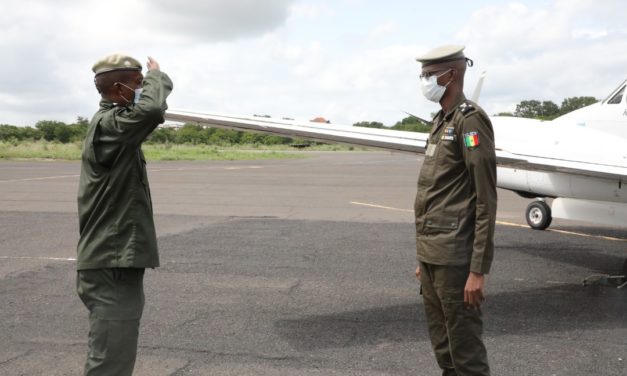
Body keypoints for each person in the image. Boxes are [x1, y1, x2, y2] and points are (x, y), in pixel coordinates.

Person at [76, 53, 173, 375]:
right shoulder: (109, 126)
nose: (144, 90)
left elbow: (146, 113)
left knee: (115, 355)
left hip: (115, 259)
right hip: (111, 260)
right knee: (110, 362)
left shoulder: (116, 128)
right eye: (139, 85)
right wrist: (157, 77)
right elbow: (152, 110)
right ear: (120, 89)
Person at [413, 45, 497, 376]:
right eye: (422, 75)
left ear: (452, 75)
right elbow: (434, 194)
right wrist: (422, 259)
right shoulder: (440, 121)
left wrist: (477, 270)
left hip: (456, 259)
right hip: (433, 256)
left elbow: (484, 198)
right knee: (444, 350)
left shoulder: (469, 120)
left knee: (466, 354)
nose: (424, 82)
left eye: (429, 75)